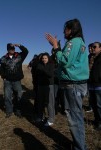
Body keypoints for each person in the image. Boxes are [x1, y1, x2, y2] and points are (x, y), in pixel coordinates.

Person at [46, 18, 89, 150]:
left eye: (65, 28)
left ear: (71, 30)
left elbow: (65, 61)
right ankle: (78, 145)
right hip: (75, 84)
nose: (63, 31)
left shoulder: (73, 42)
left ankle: (80, 147)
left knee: (74, 119)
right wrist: (57, 48)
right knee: (75, 116)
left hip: (73, 85)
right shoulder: (79, 42)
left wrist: (55, 47)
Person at [0, 43, 29, 118]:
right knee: (7, 96)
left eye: (13, 49)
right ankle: (9, 111)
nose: (12, 50)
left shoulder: (19, 56)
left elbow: (26, 51)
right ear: (8, 49)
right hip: (7, 81)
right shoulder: (3, 58)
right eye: (10, 49)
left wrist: (19, 45)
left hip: (17, 81)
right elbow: (1, 69)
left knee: (19, 96)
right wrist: (3, 77)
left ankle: (18, 111)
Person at [35, 52, 55, 126]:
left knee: (50, 103)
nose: (44, 59)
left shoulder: (51, 65)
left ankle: (51, 119)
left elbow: (50, 74)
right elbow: (37, 74)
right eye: (43, 58)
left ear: (48, 58)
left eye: (45, 58)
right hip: (40, 85)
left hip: (49, 85)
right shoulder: (39, 65)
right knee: (40, 102)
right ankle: (40, 116)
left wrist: (43, 71)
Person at [89, 42, 101, 130]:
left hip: (99, 85)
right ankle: (97, 120)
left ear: (100, 48)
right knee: (94, 104)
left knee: (99, 105)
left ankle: (100, 123)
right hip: (91, 84)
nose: (93, 48)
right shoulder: (90, 57)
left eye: (95, 47)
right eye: (92, 47)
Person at [85, 43, 94, 113]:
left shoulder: (97, 56)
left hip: (95, 78)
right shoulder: (88, 56)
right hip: (89, 77)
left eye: (91, 48)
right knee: (89, 93)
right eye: (89, 48)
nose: (90, 49)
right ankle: (91, 107)